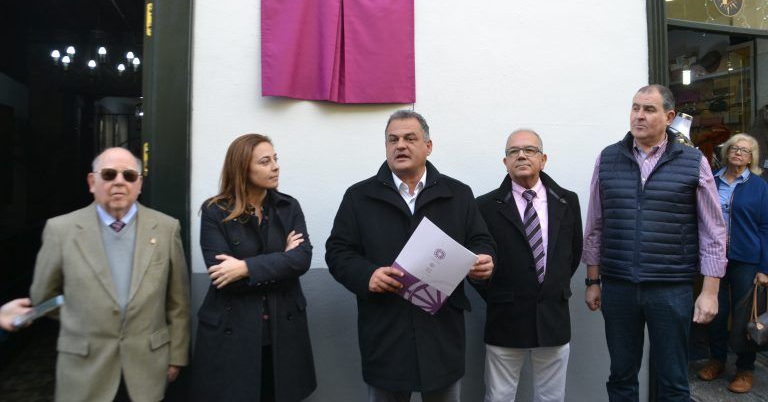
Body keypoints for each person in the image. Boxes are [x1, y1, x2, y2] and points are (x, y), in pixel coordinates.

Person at [325, 110, 496, 402]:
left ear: (428, 146)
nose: (400, 145)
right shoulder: (359, 196)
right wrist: (367, 275)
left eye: (409, 138)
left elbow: (481, 240)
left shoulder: (458, 194)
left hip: (441, 331)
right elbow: (338, 251)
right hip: (385, 330)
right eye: (393, 140)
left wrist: (484, 259)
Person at [582, 84, 727, 401]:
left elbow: (713, 230)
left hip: (670, 287)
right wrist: (593, 280)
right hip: (619, 286)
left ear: (669, 116)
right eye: (635, 108)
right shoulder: (608, 158)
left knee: (673, 380)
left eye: (649, 109)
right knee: (621, 377)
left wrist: (710, 291)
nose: (639, 115)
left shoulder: (693, 161)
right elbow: (595, 223)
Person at [29, 147, 190, 402]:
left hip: (147, 369)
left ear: (139, 184)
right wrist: (84, 316)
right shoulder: (61, 230)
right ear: (92, 182)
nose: (119, 181)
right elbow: (44, 297)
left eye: (129, 175)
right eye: (109, 174)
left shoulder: (166, 229)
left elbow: (178, 302)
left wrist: (177, 356)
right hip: (84, 370)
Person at [190, 134, 316, 402]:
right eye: (265, 161)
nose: (276, 166)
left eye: (275, 159)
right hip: (233, 332)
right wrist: (282, 259)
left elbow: (302, 259)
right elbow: (224, 277)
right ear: (242, 169)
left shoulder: (288, 207)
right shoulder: (215, 212)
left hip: (282, 331)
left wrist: (245, 267)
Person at [476, 129, 582, 402]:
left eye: (530, 150)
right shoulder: (484, 206)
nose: (521, 155)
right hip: (505, 318)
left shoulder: (567, 201)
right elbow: (477, 266)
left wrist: (550, 289)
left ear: (543, 159)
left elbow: (572, 255)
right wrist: (500, 295)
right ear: (505, 162)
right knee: (499, 396)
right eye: (513, 151)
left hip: (553, 317)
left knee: (551, 397)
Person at [697, 133, 768, 393]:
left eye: (745, 150)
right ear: (727, 152)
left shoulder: (759, 186)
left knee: (744, 316)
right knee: (715, 312)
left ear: (751, 158)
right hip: (714, 257)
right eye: (734, 148)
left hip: (746, 259)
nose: (738, 152)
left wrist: (764, 268)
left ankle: (745, 369)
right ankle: (716, 360)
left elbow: (766, 227)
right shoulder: (711, 181)